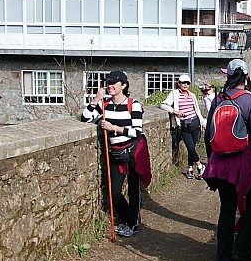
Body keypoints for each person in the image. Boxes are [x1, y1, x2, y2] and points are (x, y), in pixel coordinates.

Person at [202, 59, 251, 261]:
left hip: (221, 162)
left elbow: (208, 134)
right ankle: (242, 250)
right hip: (244, 162)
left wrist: (212, 159)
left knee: (227, 209)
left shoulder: (219, 99)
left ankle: (223, 258)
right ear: (247, 77)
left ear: (228, 77)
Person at [82, 70, 150, 238]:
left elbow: (137, 132)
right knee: (114, 192)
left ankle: (133, 224)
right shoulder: (104, 104)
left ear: (124, 85)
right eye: (108, 83)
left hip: (133, 152)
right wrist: (96, 100)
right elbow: (85, 118)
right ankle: (128, 219)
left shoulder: (133, 105)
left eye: (114, 83)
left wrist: (114, 128)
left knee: (134, 191)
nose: (110, 86)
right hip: (115, 153)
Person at [160, 74, 206, 179]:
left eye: (187, 83)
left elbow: (197, 110)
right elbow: (163, 105)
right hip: (184, 125)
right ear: (179, 83)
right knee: (190, 147)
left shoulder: (192, 95)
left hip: (195, 123)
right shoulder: (174, 94)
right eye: (182, 83)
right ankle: (200, 166)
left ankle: (190, 169)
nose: (185, 85)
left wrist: (202, 122)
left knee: (192, 148)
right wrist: (175, 111)